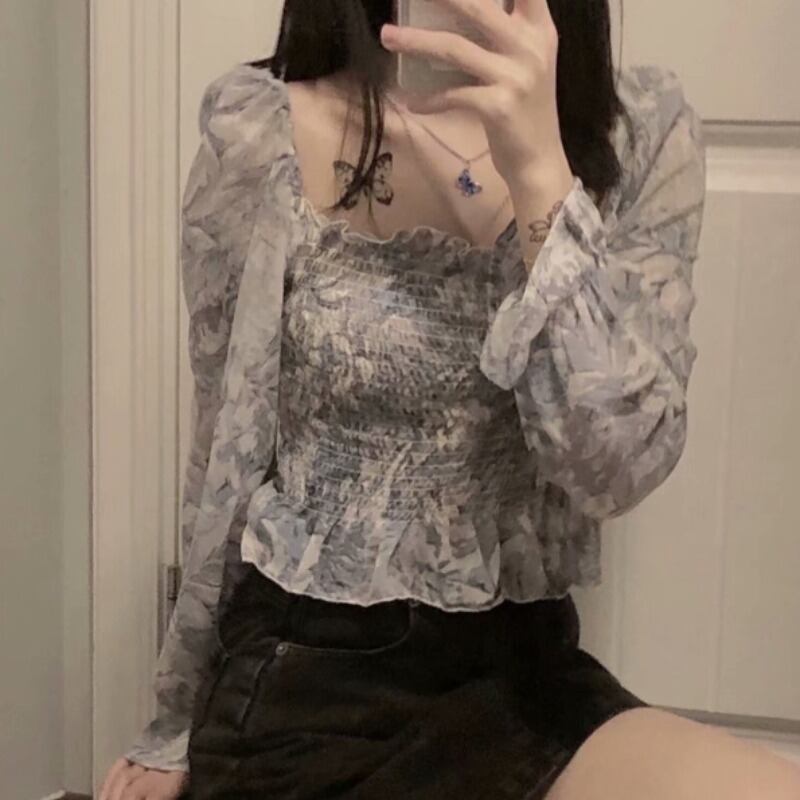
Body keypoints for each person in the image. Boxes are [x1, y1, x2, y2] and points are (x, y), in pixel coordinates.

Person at [99, 1, 800, 799]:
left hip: (524, 677)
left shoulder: (636, 139)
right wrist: (176, 719)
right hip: (312, 678)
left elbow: (613, 469)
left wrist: (540, 172)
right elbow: (224, 451)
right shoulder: (266, 132)